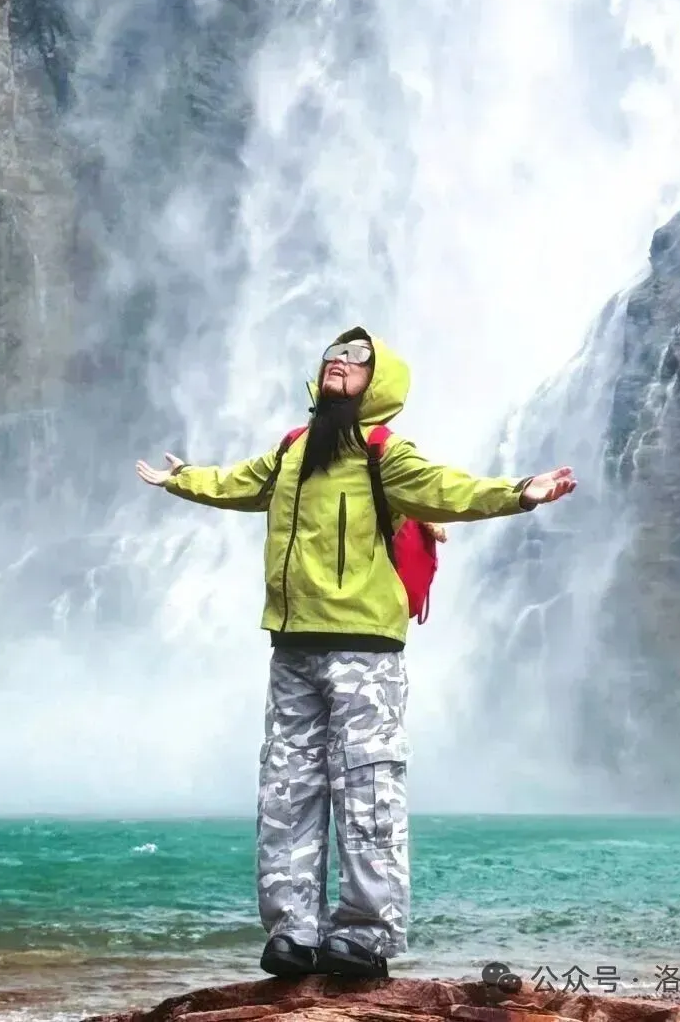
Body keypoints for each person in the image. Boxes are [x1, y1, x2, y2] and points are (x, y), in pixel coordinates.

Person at [136, 326, 576, 981]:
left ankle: (366, 935)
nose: (342, 362)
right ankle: (293, 931)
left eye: (358, 357)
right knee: (286, 789)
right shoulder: (292, 449)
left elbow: (447, 488)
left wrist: (519, 491)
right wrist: (182, 479)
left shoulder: (384, 453)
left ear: (379, 378)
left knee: (368, 787)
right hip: (292, 647)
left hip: (365, 650)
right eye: (334, 354)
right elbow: (237, 482)